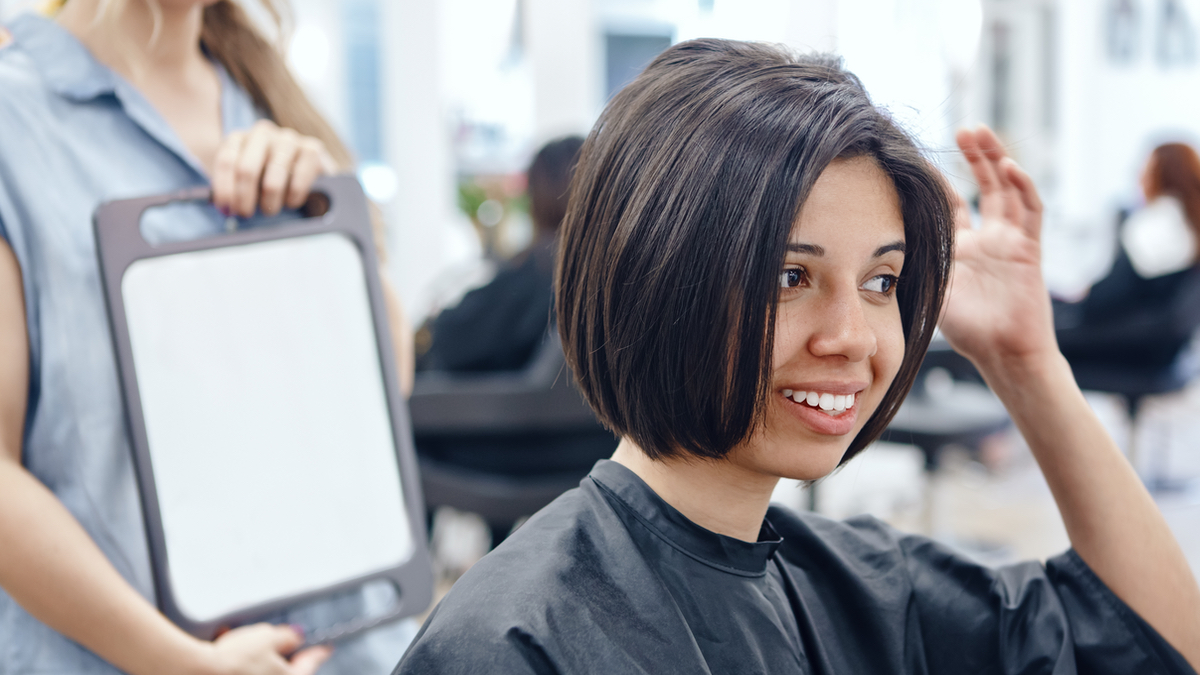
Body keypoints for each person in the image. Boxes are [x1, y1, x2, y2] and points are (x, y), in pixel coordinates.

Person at [395, 39, 1200, 673]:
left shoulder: (867, 590)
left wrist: (1028, 364)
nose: (850, 334)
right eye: (791, 276)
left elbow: (1151, 644)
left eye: (882, 279)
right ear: (657, 275)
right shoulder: (509, 645)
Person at [0, 1, 417, 674]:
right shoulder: (16, 122)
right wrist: (183, 662)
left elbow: (388, 387)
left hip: (351, 645)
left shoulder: (264, 97)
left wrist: (321, 213)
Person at [418, 135, 585, 372]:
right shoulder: (590, 272)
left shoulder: (539, 271)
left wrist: (434, 323)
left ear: (536, 196)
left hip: (483, 402)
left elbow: (450, 337)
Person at [1056, 142, 1200, 371]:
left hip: (1136, 347)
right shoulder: (1189, 223)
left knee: (1041, 332)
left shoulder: (1154, 225)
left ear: (1158, 175)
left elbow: (1101, 304)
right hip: (1165, 348)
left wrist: (1085, 296)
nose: (1140, 179)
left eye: (1145, 170)